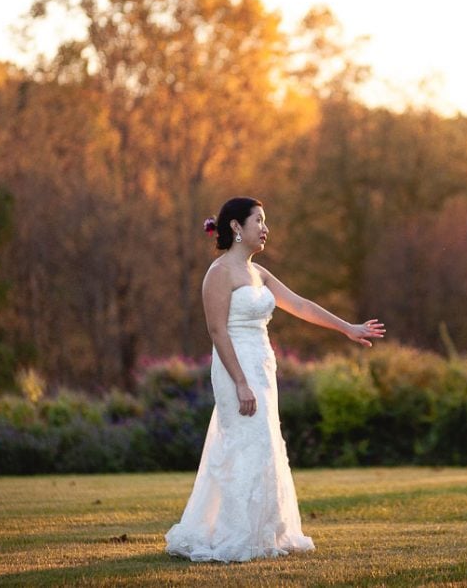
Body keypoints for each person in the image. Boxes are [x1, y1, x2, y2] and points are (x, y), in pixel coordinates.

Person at [165, 197, 385, 563]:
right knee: (244, 444)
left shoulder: (259, 273)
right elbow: (217, 332)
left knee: (266, 445)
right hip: (236, 368)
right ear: (236, 226)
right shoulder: (218, 274)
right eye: (259, 221)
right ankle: (235, 534)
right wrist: (239, 382)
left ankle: (263, 533)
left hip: (263, 367)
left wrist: (347, 328)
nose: (265, 228)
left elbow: (300, 305)